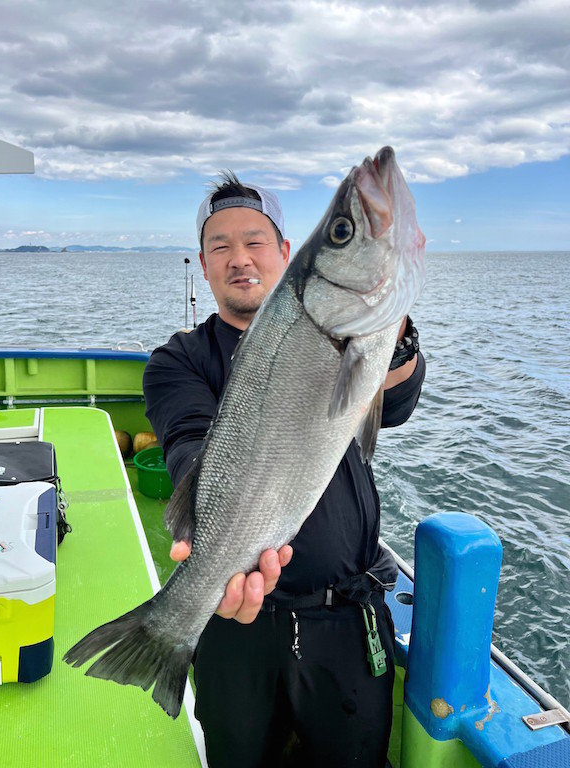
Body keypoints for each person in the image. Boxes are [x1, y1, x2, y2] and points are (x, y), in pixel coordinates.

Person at [143, 174, 425, 768]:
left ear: (286, 253)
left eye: (255, 242)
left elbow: (392, 403)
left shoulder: (353, 332)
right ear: (202, 263)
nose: (239, 259)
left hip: (346, 616)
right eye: (220, 247)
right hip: (232, 618)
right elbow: (187, 442)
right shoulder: (178, 360)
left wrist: (391, 337)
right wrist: (215, 537)